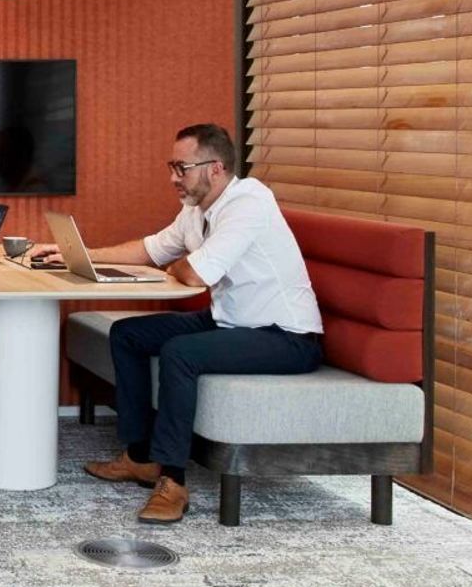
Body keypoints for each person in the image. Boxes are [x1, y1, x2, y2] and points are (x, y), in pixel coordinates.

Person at [32, 123, 323, 524]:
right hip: (230, 322)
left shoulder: (250, 202)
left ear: (215, 168)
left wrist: (181, 264)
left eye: (181, 168)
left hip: (285, 336)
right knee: (128, 334)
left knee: (180, 353)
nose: (173, 177)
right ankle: (141, 456)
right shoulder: (195, 210)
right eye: (173, 166)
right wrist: (80, 256)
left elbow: (195, 275)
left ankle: (173, 481)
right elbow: (152, 250)